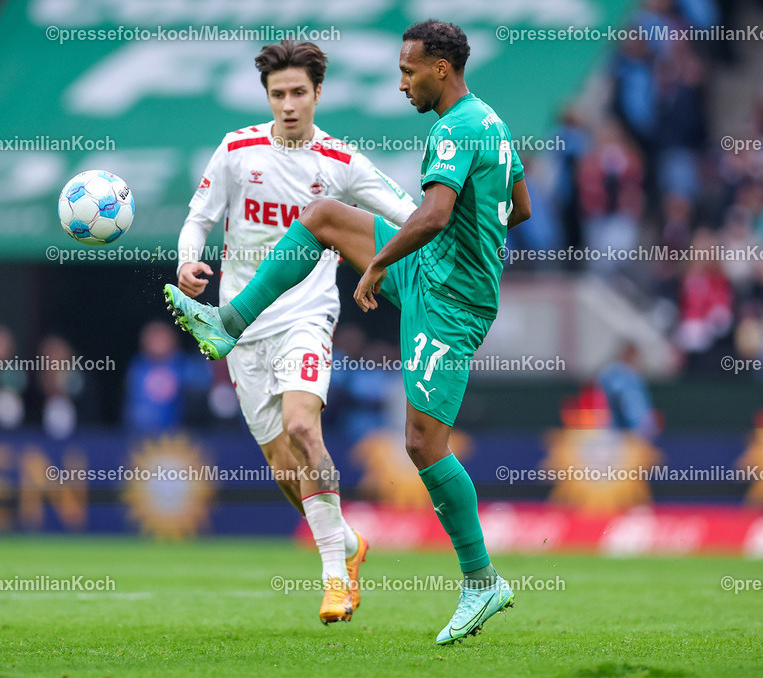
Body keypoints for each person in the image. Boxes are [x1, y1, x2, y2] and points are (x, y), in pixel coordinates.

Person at [164, 20, 531, 644]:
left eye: (409, 69)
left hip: (449, 302)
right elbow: (518, 205)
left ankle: (481, 580)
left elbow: (437, 212)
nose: (402, 81)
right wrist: (473, 238)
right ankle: (228, 322)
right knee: (324, 217)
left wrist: (384, 263)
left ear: (440, 68)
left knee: (423, 443)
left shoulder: (455, 127)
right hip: (433, 274)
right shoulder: (491, 124)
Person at [172, 39, 417, 624]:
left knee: (304, 427)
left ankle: (334, 576)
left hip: (307, 316)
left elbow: (408, 213)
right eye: (278, 94)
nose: (288, 104)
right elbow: (199, 218)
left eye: (298, 93)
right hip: (239, 327)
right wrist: (187, 262)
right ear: (267, 96)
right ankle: (348, 546)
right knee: (285, 469)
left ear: (318, 94)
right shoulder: (237, 150)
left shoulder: (340, 161)